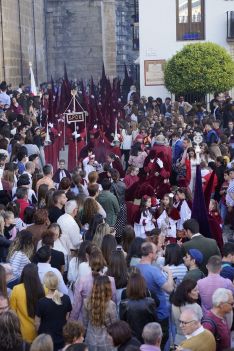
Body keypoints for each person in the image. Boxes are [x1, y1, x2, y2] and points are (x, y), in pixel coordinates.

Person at [136, 242, 174, 349]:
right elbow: (170, 289)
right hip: (160, 313)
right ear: (150, 254)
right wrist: (169, 273)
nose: (157, 254)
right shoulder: (154, 271)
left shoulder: (134, 268)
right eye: (156, 252)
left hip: (143, 312)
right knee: (162, 343)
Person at [70, 247, 116, 321]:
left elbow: (76, 306)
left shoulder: (82, 281)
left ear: (89, 263)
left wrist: (71, 322)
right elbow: (114, 302)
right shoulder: (111, 280)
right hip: (106, 319)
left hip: (87, 320)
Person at [35, 271, 72, 351]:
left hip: (46, 339)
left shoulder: (41, 302)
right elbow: (67, 317)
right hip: (61, 336)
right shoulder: (66, 299)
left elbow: (37, 323)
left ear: (45, 284)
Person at [10, 263, 45, 343]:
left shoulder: (16, 289)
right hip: (40, 332)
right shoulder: (44, 289)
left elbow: (12, 312)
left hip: (23, 333)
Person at [83, 275, 118, 351]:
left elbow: (85, 323)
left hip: (90, 339)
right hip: (107, 342)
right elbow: (114, 325)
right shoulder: (111, 305)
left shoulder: (86, 302)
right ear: (108, 288)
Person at [119, 271, 156, 342]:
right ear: (143, 286)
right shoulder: (150, 302)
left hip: (131, 339)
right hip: (148, 338)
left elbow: (122, 323)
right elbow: (155, 321)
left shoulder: (124, 304)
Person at [171, 279, 203, 346]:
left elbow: (173, 322)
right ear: (187, 293)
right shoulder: (196, 307)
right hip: (193, 342)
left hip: (178, 340)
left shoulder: (173, 305)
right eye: (195, 290)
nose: (198, 292)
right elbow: (199, 327)